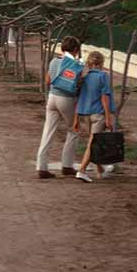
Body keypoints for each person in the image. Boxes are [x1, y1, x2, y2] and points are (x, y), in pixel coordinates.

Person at [35, 36, 83, 179]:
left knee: (48, 132)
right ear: (76, 50)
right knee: (74, 130)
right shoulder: (75, 64)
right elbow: (77, 82)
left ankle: (41, 167)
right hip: (66, 99)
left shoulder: (54, 61)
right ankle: (67, 165)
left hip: (52, 98)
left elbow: (48, 80)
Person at [73, 51, 116, 183]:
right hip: (98, 114)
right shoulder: (103, 76)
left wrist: (76, 119)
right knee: (93, 143)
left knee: (94, 142)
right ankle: (82, 171)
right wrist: (108, 118)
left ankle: (100, 171)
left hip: (85, 114)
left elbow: (79, 98)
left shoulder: (84, 77)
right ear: (102, 63)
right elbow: (104, 98)